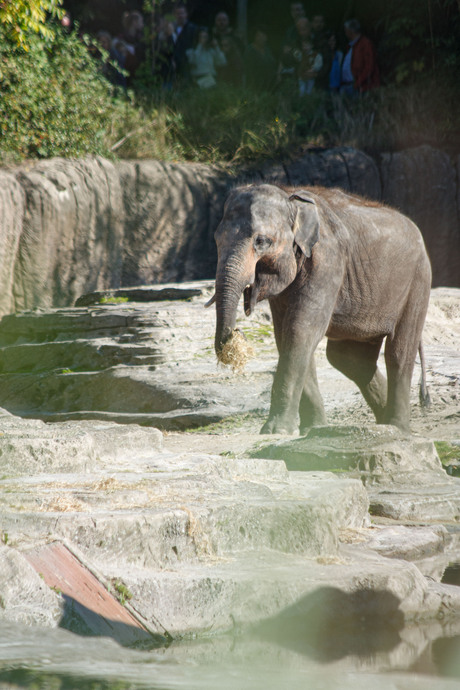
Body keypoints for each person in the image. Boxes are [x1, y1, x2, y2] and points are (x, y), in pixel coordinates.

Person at [341, 19, 380, 95]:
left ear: (350, 31)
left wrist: (358, 82)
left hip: (359, 86)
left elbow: (369, 66)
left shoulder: (365, 44)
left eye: (346, 30)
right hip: (347, 84)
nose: (345, 33)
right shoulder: (351, 46)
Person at [173, 2, 199, 86]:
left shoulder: (193, 29)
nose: (180, 16)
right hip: (175, 64)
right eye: (178, 13)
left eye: (182, 13)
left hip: (189, 64)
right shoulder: (171, 28)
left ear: (186, 14)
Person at [295, 18, 323, 95]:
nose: (305, 48)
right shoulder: (300, 54)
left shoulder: (315, 55)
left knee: (309, 92)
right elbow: (296, 57)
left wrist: (313, 70)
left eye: (307, 46)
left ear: (311, 46)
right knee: (301, 91)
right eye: (304, 46)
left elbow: (319, 62)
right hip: (301, 76)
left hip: (311, 76)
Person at [245, 26, 277, 91]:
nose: (261, 38)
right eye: (259, 36)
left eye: (264, 36)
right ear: (255, 37)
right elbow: (249, 71)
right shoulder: (250, 50)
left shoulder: (267, 49)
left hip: (269, 85)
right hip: (256, 86)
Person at [153, 15, 176, 89]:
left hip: (169, 74)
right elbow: (168, 51)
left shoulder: (173, 36)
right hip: (161, 73)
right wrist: (170, 36)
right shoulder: (155, 39)